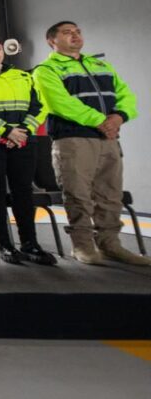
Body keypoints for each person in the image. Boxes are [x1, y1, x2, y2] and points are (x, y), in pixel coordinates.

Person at [32, 21, 147, 266]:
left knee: (110, 194)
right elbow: (60, 103)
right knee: (78, 195)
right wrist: (102, 122)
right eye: (67, 32)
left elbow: (125, 94)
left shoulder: (100, 65)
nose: (74, 36)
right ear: (51, 41)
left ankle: (110, 245)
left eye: (77, 32)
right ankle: (82, 247)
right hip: (73, 139)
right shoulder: (45, 70)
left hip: (108, 139)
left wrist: (119, 117)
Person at [0, 37, 57, 266]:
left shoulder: (24, 76)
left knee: (23, 192)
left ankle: (30, 244)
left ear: (4, 53)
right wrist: (5, 130)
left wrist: (23, 130)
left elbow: (40, 105)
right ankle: (5, 245)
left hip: (23, 141)